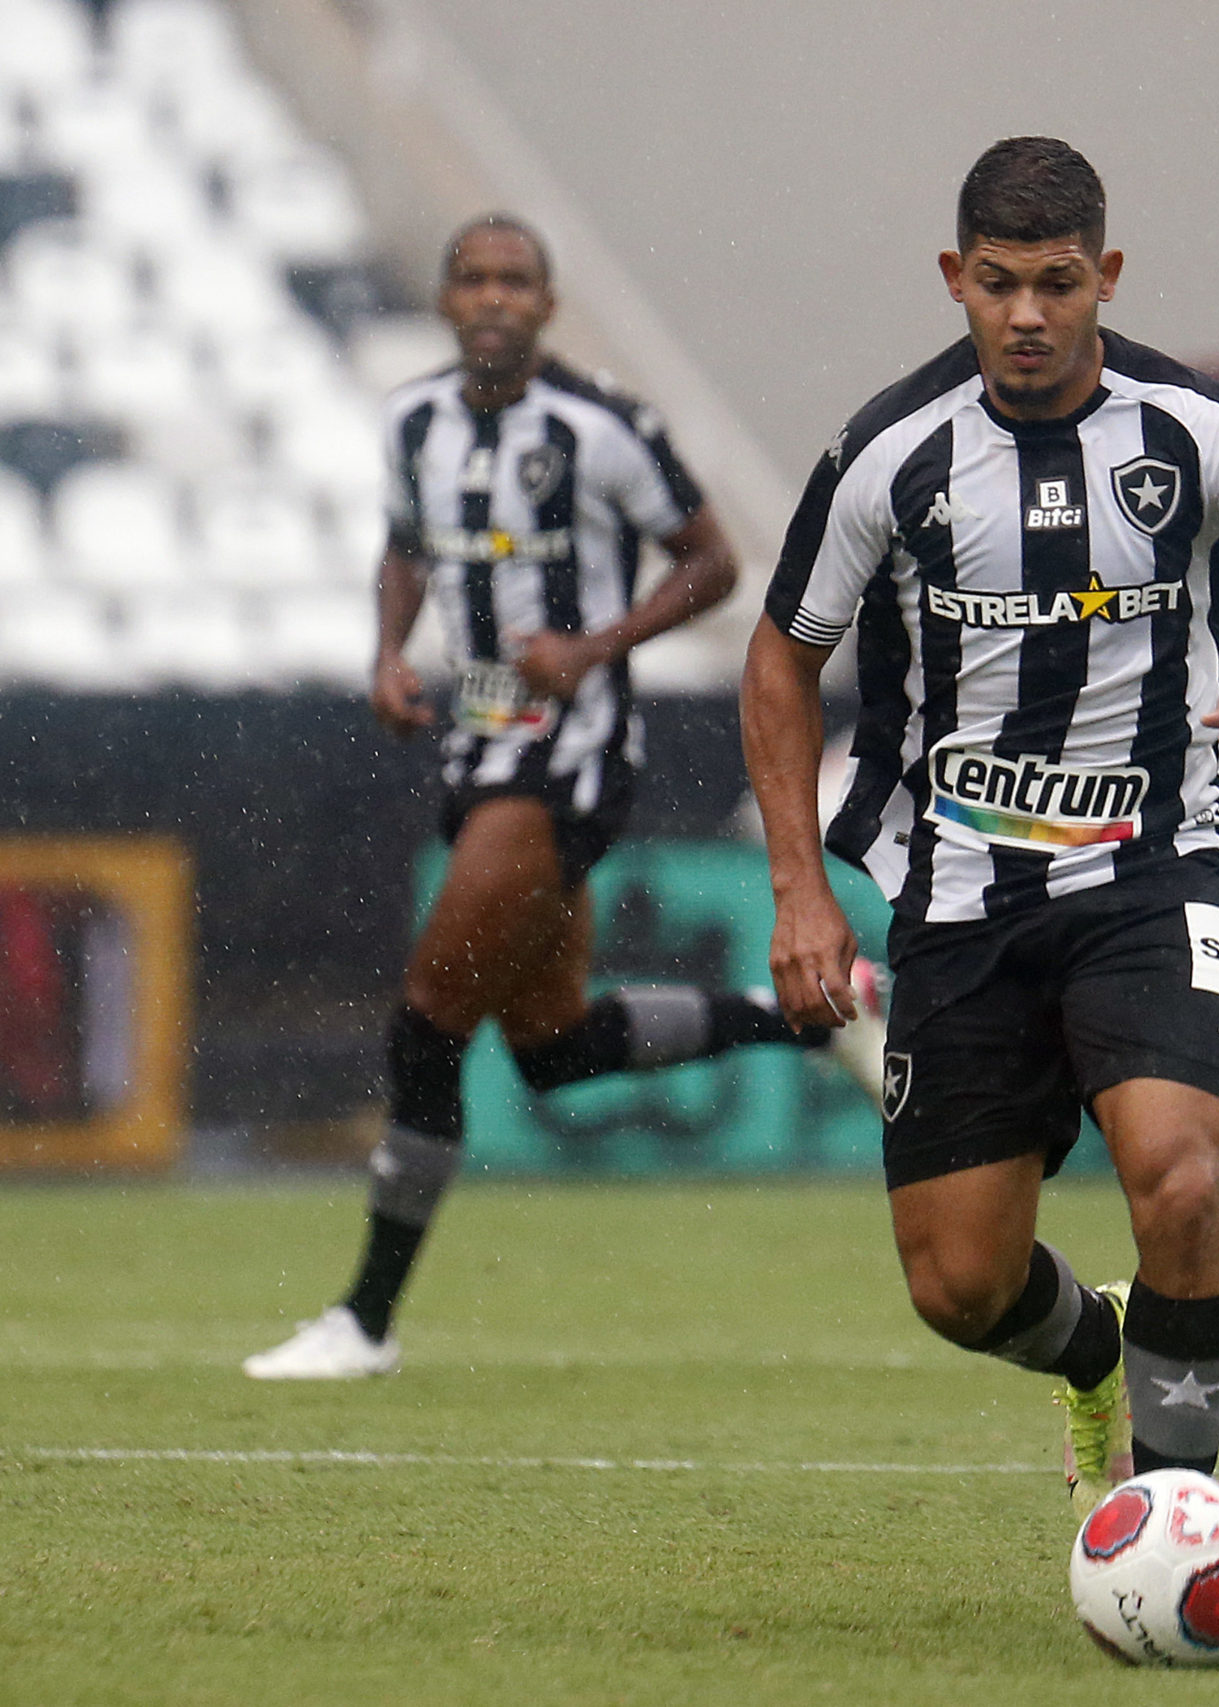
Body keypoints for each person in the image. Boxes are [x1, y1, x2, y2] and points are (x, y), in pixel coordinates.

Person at [742, 137, 1219, 1514]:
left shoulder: (1196, 428)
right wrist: (798, 890)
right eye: (999, 284)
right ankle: (1096, 1348)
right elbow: (776, 659)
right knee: (961, 1285)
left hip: (1151, 880)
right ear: (956, 279)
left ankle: (1169, 1518)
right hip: (959, 900)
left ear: (1106, 274)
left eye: (1059, 282)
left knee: (1178, 1181)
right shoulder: (888, 452)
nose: (1030, 315)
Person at [246, 215, 862, 1380]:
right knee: (553, 1047)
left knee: (427, 1022)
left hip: (567, 754)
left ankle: (364, 1322)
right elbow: (405, 547)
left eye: (514, 282)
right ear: (444, 298)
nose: (492, 298)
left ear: (545, 303)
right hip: (476, 739)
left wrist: (596, 646)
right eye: (473, 278)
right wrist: (389, 650)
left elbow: (714, 562)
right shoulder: (413, 421)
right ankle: (796, 1016)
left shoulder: (603, 428)